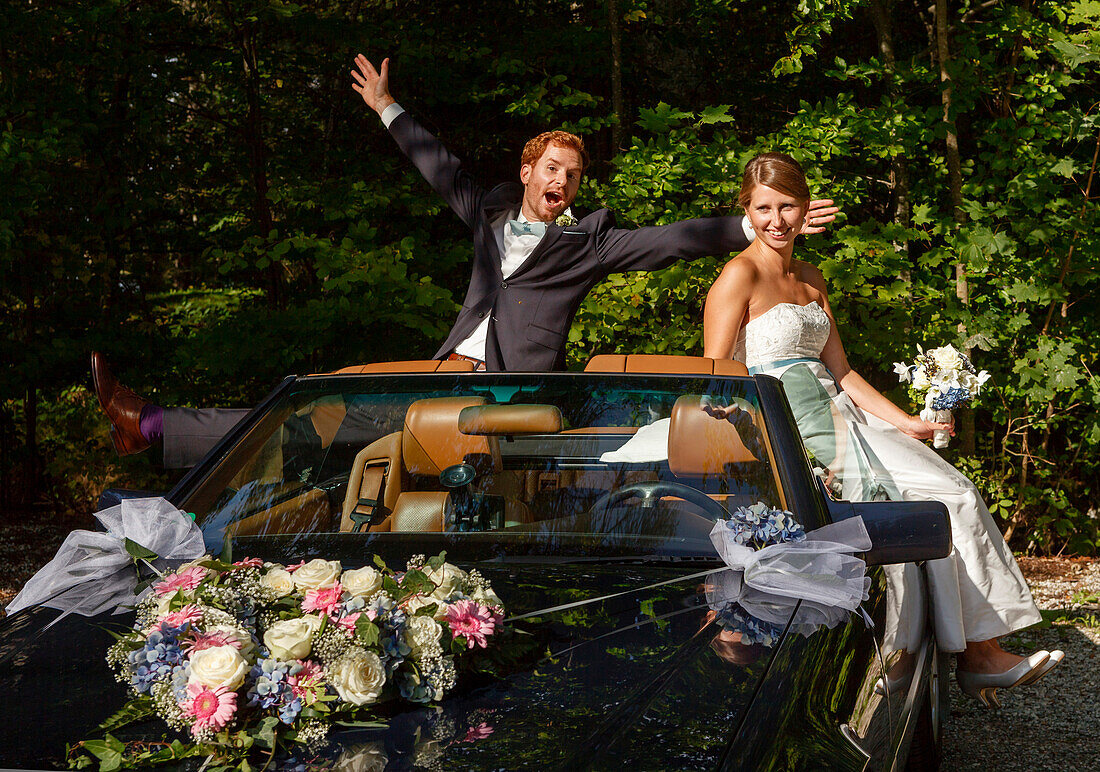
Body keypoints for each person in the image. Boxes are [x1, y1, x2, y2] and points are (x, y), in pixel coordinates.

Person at [92, 54, 840, 467]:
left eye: (573, 175)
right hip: (450, 366)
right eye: (551, 169)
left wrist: (759, 221)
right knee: (320, 406)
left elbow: (671, 238)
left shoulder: (588, 244)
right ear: (527, 172)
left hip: (515, 391)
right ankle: (154, 429)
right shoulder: (485, 216)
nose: (561, 181)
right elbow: (437, 165)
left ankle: (154, 425)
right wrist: (388, 107)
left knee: (338, 419)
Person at [702, 151, 1062, 706]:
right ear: (746, 210)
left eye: (788, 206)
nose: (776, 220)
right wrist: (765, 441)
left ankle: (972, 650)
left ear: (804, 208)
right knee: (938, 500)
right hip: (790, 425)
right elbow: (718, 371)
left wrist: (907, 423)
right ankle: (970, 654)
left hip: (844, 417)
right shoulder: (738, 273)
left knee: (951, 493)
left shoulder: (812, 277)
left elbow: (840, 371)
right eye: (763, 208)